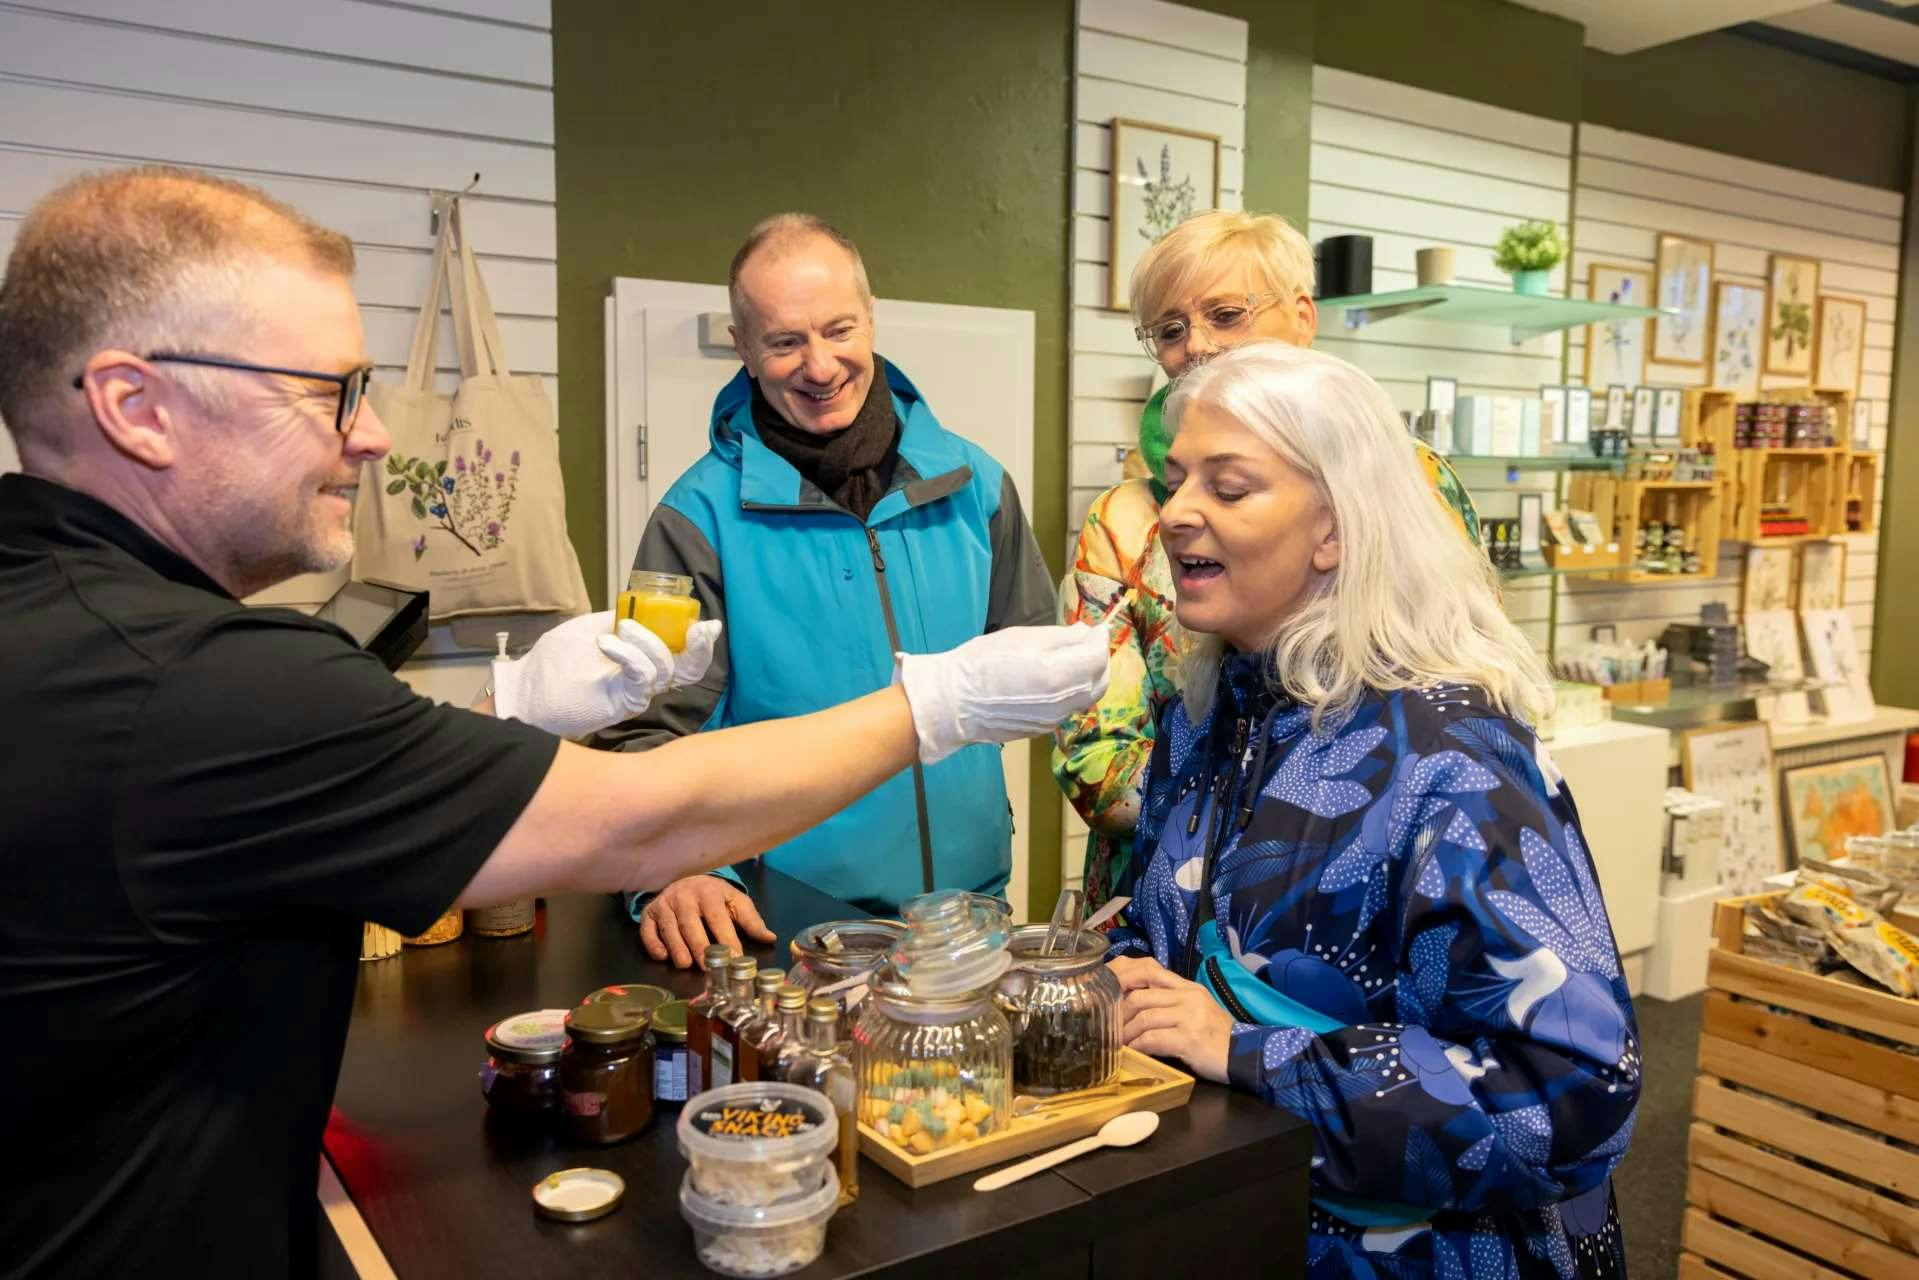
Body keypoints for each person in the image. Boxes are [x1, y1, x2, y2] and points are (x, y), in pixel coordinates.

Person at [0, 166, 1108, 1278]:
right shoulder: (197, 681)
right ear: (136, 406)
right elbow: (627, 816)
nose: (376, 435)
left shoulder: (62, 623)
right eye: (330, 391)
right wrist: (932, 702)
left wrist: (508, 707)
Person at [1104, 342, 1638, 1278]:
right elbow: (1179, 951)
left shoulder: (1451, 756)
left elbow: (1571, 1097)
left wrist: (1246, 1053)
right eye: (1176, 478)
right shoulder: (1201, 717)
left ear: (1334, 530)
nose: (1177, 511)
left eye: (1228, 488)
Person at [594, 213, 1056, 965]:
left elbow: (1029, 676)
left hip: (971, 921)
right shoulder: (696, 518)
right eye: (784, 341)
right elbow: (643, 731)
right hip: (795, 927)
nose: (820, 364)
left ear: (869, 319)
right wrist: (681, 870)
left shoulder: (977, 486)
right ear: (744, 348)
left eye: (839, 330)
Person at [1055, 210, 1485, 919]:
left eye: (1225, 315)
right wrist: (1244, 818)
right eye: (1168, 330)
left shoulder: (1406, 482)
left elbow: (1464, 688)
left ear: (1303, 316)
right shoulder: (1128, 519)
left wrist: (1318, 826)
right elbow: (1094, 759)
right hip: (1158, 911)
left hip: (1357, 907)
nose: (1196, 347)